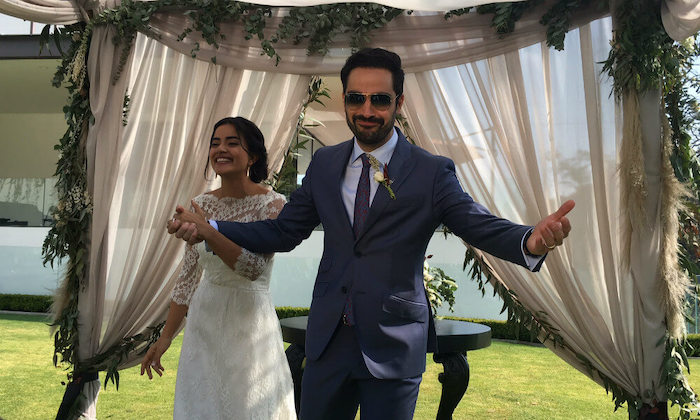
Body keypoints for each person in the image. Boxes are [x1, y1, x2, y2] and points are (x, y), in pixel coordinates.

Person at [169, 48, 573, 420]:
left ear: (399, 102)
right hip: (327, 342)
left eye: (379, 99)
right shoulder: (324, 165)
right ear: (345, 101)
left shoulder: (431, 171)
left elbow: (474, 221)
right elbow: (283, 231)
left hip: (394, 343)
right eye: (355, 98)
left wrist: (528, 240)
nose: (366, 109)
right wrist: (212, 228)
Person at [141, 116, 296, 419]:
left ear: (252, 156)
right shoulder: (201, 204)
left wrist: (209, 231)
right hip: (205, 323)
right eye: (215, 143)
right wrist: (165, 337)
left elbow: (252, 269)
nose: (220, 149)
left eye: (232, 143)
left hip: (249, 325)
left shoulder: (272, 205)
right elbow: (187, 280)